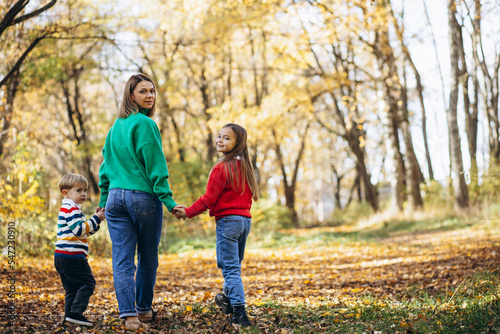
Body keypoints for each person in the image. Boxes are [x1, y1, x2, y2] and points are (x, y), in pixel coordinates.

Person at [97, 73, 182, 330]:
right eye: (143, 91)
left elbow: (105, 167)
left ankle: (128, 316)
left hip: (114, 200)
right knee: (147, 257)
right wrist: (168, 200)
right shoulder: (145, 124)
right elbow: (156, 164)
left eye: (152, 91)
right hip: (142, 198)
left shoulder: (114, 128)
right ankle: (143, 310)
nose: (150, 96)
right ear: (131, 95)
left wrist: (103, 198)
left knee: (122, 260)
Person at [175, 123, 259, 327]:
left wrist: (188, 212)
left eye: (227, 138)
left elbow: (208, 199)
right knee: (234, 267)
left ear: (238, 144)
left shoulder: (221, 168)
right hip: (244, 222)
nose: (220, 140)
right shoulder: (245, 168)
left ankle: (239, 312)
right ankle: (228, 300)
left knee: (230, 269)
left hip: (228, 222)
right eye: (219, 136)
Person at [54, 173, 105, 327]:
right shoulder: (71, 208)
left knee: (72, 289)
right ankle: (76, 312)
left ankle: (69, 318)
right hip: (72, 257)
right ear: (66, 192)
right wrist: (95, 218)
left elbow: (85, 231)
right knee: (88, 283)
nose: (83, 194)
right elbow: (78, 230)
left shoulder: (72, 208)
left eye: (85, 190)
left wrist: (96, 221)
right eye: (79, 190)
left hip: (62, 257)